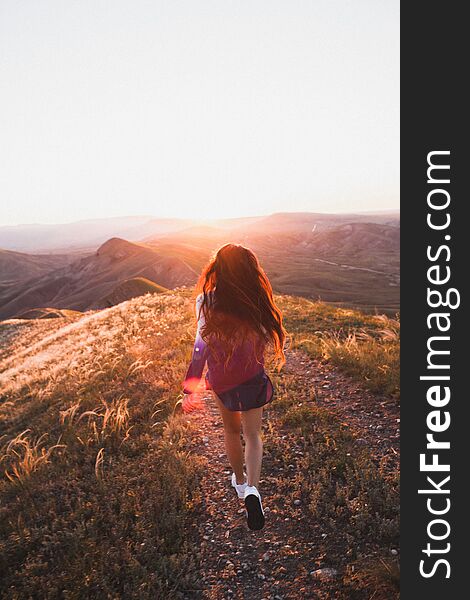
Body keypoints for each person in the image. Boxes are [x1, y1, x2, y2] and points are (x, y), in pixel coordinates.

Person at [182, 243, 286, 530]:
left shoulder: (205, 301)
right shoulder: (257, 299)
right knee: (253, 436)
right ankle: (253, 488)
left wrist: (190, 388)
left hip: (222, 379)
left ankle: (239, 482)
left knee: (230, 430)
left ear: (218, 270)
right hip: (252, 376)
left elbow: (199, 348)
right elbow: (266, 335)